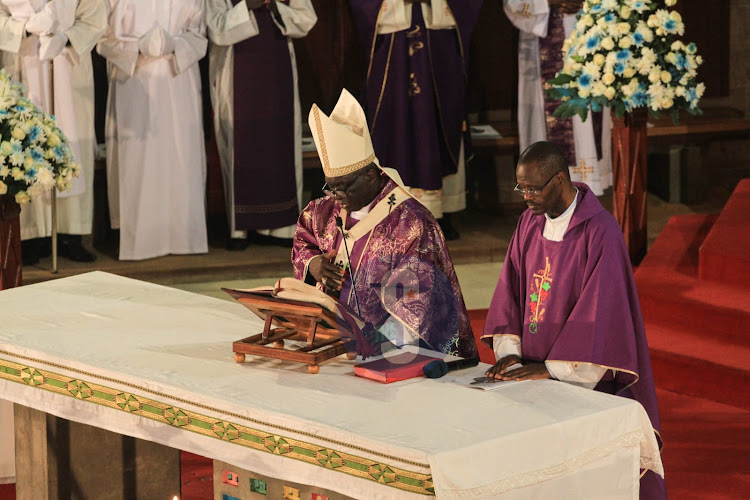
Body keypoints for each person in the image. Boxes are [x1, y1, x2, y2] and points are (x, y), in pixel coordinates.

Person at [482, 141, 665, 499]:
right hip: (530, 374)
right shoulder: (528, 224)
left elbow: (602, 314)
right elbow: (511, 291)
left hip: (581, 381)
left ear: (561, 180)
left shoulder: (601, 232)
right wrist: (510, 352)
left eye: (534, 188)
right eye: (522, 187)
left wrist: (552, 369)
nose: (526, 197)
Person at [292, 88, 477, 358]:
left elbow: (420, 302)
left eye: (343, 187)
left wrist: (375, 342)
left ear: (370, 175)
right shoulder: (324, 210)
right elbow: (304, 239)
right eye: (331, 188)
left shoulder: (411, 224)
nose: (337, 197)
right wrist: (314, 264)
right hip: (330, 337)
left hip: (391, 349)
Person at [349, 0, 484, 240]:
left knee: (441, 121)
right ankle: (389, 212)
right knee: (391, 126)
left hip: (439, 41)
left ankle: (442, 212)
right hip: (392, 44)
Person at [97, 0, 208, 261]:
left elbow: (199, 33)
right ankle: (140, 239)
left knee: (181, 154)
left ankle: (184, 236)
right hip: (135, 80)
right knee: (138, 158)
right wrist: (136, 48)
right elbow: (101, 35)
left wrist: (175, 45)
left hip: (179, 77)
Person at [0, 0, 108, 265]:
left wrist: (66, 37)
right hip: (21, 63)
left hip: (67, 67)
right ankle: (32, 234)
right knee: (24, 143)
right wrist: (24, 28)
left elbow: (94, 18)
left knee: (71, 143)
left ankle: (71, 233)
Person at [206, 0, 317, 251]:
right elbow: (214, 27)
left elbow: (306, 19)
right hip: (236, 64)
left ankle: (281, 228)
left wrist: (276, 7)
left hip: (277, 65)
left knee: (277, 144)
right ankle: (241, 229)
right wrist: (248, 6)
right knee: (241, 142)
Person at [504, 0, 612, 195]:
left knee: (587, 119)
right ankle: (548, 192)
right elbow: (514, 4)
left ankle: (586, 191)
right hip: (544, 36)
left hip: (589, 34)